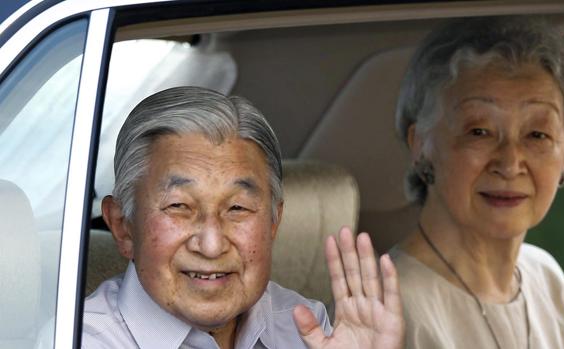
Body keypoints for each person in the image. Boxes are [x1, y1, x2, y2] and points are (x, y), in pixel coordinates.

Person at [82, 86, 404, 349]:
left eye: (237, 208)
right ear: (123, 227)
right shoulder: (79, 340)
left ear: (273, 223)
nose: (211, 245)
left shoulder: (304, 328)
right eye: (179, 206)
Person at [390, 16, 564, 348]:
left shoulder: (547, 280)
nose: (510, 164)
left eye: (537, 134)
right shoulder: (384, 310)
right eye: (479, 131)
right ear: (421, 145)